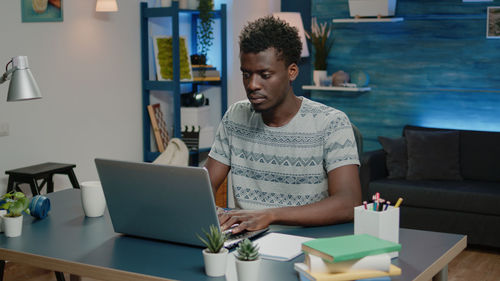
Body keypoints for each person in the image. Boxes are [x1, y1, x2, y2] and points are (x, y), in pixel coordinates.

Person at [204, 16, 361, 234]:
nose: (252, 85)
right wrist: (214, 211)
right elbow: (205, 185)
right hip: (247, 243)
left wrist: (270, 215)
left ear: (292, 72)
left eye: (265, 75)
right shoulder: (235, 116)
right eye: (246, 74)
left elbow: (349, 202)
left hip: (308, 244)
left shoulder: (331, 123)